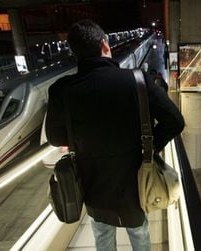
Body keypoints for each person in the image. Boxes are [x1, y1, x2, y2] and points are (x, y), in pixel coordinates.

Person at [45, 20, 184, 251]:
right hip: (136, 181)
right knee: (140, 234)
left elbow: (55, 138)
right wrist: (149, 148)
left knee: (102, 236)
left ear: (75, 53)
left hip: (92, 184)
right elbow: (175, 121)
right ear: (105, 46)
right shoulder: (137, 79)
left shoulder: (61, 90)